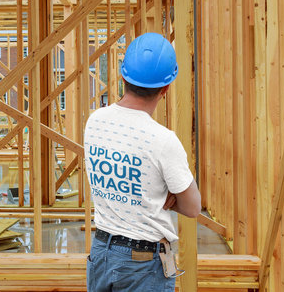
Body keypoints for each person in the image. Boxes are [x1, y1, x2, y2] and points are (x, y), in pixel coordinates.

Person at [84, 32, 202, 292]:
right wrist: (163, 195)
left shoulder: (95, 122)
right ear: (166, 88)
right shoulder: (163, 140)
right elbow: (193, 207)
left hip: (101, 252)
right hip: (143, 262)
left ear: (123, 76)